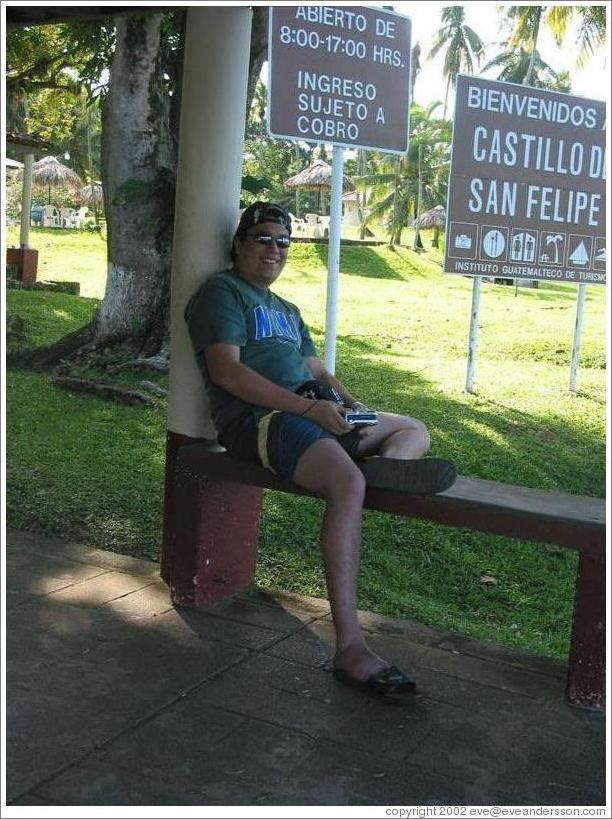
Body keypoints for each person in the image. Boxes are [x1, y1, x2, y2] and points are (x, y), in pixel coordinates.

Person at [185, 202, 456, 698]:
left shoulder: (287, 310)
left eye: (284, 242)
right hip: (265, 422)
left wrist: (352, 407)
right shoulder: (221, 293)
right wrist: (309, 412)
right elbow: (226, 371)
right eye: (264, 238)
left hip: (314, 413)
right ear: (240, 243)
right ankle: (350, 649)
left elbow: (316, 371)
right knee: (347, 485)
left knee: (411, 428)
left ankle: (381, 468)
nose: (275, 249)